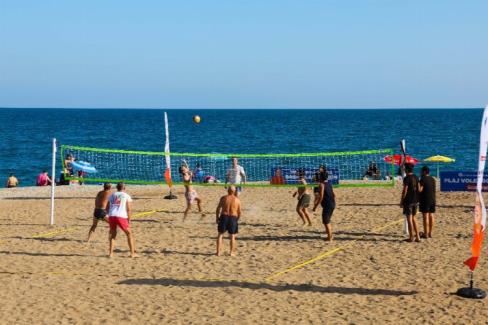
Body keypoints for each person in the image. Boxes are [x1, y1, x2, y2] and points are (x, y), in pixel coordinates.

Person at [107, 182, 137, 258]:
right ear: (124, 188)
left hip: (111, 216)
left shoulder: (112, 195)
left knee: (113, 235)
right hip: (121, 216)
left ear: (117, 187)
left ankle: (110, 254)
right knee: (129, 234)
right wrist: (129, 219)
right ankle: (132, 253)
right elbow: (129, 209)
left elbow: (107, 208)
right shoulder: (126, 196)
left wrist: (110, 214)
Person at [216, 186, 242, 256]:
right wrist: (237, 220)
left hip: (224, 216)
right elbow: (239, 212)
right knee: (232, 236)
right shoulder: (237, 200)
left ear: (227, 191)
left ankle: (218, 252)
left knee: (220, 235)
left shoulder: (223, 198)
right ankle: (231, 252)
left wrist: (217, 218)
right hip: (233, 217)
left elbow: (218, 209)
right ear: (234, 191)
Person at [313, 171, 336, 241]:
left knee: (326, 221)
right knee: (327, 221)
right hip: (332, 203)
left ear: (321, 177)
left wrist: (315, 206)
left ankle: (330, 238)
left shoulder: (322, 185)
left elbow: (321, 197)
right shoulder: (329, 183)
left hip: (328, 205)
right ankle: (330, 235)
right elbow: (334, 195)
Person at [400, 163, 420, 242]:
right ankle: (418, 237)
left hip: (408, 201)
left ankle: (411, 237)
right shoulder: (416, 177)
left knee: (409, 219)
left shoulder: (406, 178)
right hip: (415, 200)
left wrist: (401, 200)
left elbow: (405, 190)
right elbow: (418, 189)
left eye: (405, 168)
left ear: (407, 169)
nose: (404, 169)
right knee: (414, 218)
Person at [419, 166, 436, 239]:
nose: (420, 173)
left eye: (421, 171)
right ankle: (430, 233)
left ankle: (425, 233)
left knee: (425, 216)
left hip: (425, 199)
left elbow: (420, 190)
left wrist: (417, 185)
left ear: (424, 172)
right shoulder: (432, 179)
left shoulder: (423, 179)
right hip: (432, 199)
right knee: (431, 215)